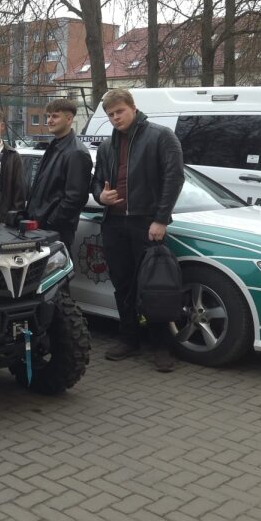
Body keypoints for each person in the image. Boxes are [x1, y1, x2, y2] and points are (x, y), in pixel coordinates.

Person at [92, 88, 185, 372]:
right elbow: (96, 182)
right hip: (114, 223)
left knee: (154, 287)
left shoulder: (160, 136)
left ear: (133, 108)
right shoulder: (106, 146)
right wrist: (100, 197)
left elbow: (174, 177)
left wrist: (161, 219)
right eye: (110, 115)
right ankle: (129, 339)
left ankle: (161, 347)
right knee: (122, 285)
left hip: (145, 223)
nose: (116, 118)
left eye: (120, 111)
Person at [26, 99, 92, 250]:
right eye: (48, 116)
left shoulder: (76, 152)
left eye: (55, 116)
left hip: (55, 231)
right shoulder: (54, 146)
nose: (49, 120)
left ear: (69, 119)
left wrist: (51, 222)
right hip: (40, 228)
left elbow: (75, 198)